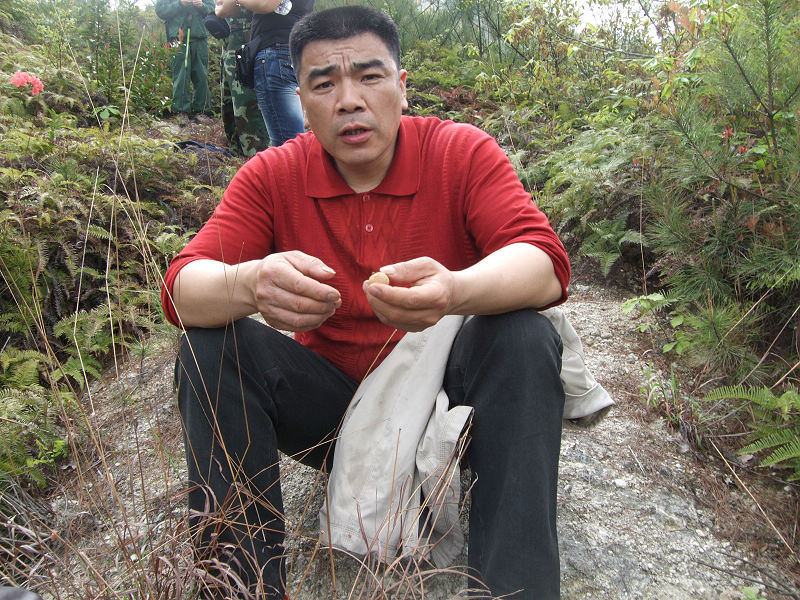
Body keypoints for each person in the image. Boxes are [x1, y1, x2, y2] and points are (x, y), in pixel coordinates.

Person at [162, 6, 570, 599]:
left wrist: (454, 291)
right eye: (324, 84)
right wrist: (250, 283)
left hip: (448, 409)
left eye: (370, 77)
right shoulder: (274, 175)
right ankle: (241, 588)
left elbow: (545, 262)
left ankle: (514, 591)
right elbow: (181, 288)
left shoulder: (459, 152)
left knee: (525, 336)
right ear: (302, 103)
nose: (349, 100)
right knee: (208, 348)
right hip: (336, 416)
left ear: (402, 87)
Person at [214, 0, 314, 147]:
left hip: (277, 54)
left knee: (291, 146)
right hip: (293, 53)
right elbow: (226, 9)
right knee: (293, 143)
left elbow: (266, 4)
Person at [217, 11, 270, 156]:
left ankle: (258, 160)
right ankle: (237, 160)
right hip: (229, 41)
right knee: (229, 111)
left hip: (249, 40)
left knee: (248, 110)